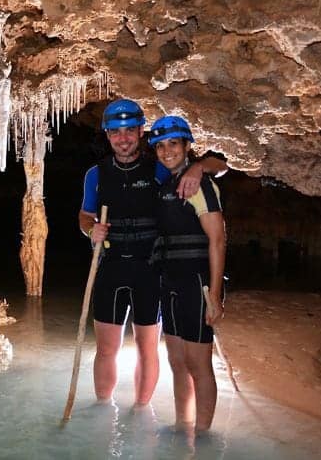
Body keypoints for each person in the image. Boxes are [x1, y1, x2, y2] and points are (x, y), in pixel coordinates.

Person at [79, 100, 225, 407]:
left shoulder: (159, 168)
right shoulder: (96, 174)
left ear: (141, 132)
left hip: (151, 270)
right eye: (115, 132)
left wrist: (199, 167)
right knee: (106, 348)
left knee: (148, 348)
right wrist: (91, 230)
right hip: (111, 267)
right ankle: (101, 413)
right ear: (107, 135)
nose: (123, 138)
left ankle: (141, 412)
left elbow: (220, 165)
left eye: (130, 130)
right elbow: (84, 216)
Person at [148, 115, 226, 432]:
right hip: (170, 283)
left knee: (198, 364)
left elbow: (218, 240)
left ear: (186, 146)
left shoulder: (200, 184)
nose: (167, 151)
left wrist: (216, 296)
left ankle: (204, 435)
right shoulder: (166, 184)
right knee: (177, 362)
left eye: (174, 144)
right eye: (161, 146)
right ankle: (183, 425)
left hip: (197, 284)